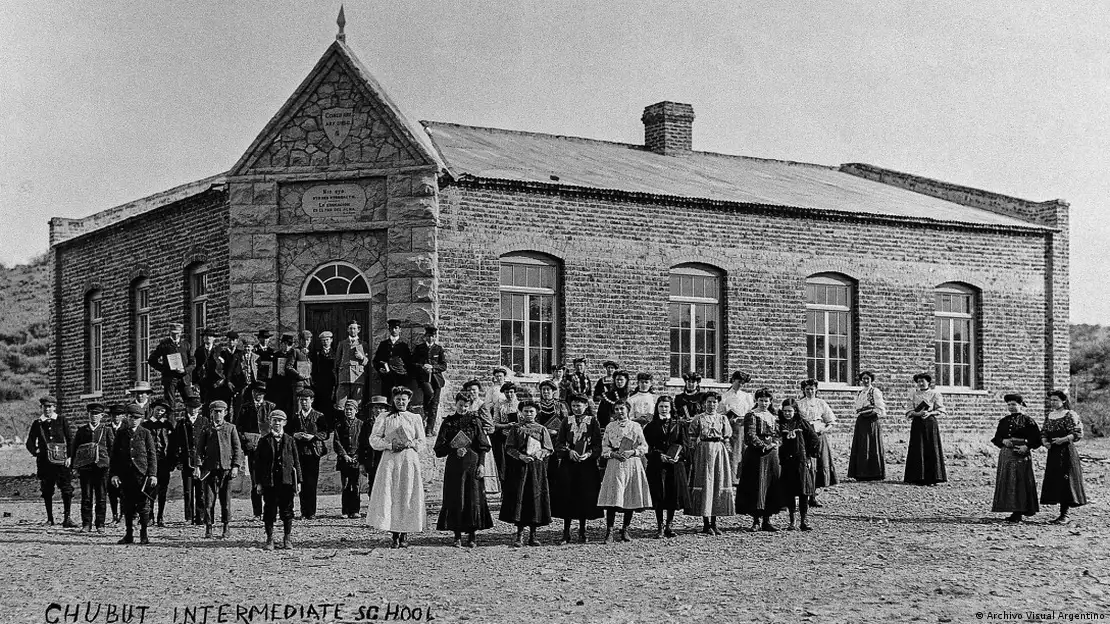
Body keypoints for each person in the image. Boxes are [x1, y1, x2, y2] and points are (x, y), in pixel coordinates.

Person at [367, 386, 427, 548]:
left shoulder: (414, 418)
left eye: (404, 399)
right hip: (391, 460)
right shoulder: (385, 417)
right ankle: (394, 534)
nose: (401, 402)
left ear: (408, 401)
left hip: (408, 459)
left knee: (407, 493)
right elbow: (374, 439)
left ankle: (405, 534)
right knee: (392, 494)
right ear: (393, 400)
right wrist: (389, 444)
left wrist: (411, 443)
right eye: (398, 399)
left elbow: (422, 442)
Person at [434, 392, 494, 547]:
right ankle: (457, 535)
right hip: (455, 465)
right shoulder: (448, 422)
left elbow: (483, 446)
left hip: (472, 464)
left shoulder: (475, 421)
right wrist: (452, 449)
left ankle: (472, 535)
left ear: (470, 406)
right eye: (460, 405)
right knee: (456, 497)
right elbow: (439, 449)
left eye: (466, 406)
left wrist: (481, 464)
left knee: (473, 497)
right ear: (456, 404)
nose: (463, 408)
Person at [597, 401, 652, 543]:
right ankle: (609, 531)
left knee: (629, 495)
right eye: (616, 409)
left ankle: (625, 529)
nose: (619, 412)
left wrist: (633, 451)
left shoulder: (635, 426)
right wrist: (612, 454)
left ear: (627, 410)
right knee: (613, 496)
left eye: (622, 409)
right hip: (615, 462)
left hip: (631, 462)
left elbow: (644, 446)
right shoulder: (610, 426)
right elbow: (604, 447)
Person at [500, 401, 554, 547]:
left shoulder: (542, 429)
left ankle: (533, 535)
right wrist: (520, 456)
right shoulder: (516, 428)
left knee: (534, 498)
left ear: (536, 413)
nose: (528, 414)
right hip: (520, 468)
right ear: (521, 413)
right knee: (521, 497)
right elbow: (509, 448)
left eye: (531, 411)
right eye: (526, 411)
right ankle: (519, 535)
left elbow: (549, 448)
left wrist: (540, 453)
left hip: (536, 468)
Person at [551, 393, 603, 544]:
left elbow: (597, 444)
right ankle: (566, 533)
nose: (576, 409)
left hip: (586, 464)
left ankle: (582, 531)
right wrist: (569, 452)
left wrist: (588, 454)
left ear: (586, 406)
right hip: (570, 464)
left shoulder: (593, 422)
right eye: (573, 406)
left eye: (579, 406)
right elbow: (559, 442)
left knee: (584, 496)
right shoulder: (566, 421)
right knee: (568, 495)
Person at [685, 392, 735, 535]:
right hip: (704, 452)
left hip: (719, 451)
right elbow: (692, 438)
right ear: (703, 404)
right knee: (706, 484)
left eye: (714, 402)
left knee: (717, 484)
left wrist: (727, 452)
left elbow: (727, 438)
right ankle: (706, 523)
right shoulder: (698, 418)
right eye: (708, 402)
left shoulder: (722, 418)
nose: (711, 405)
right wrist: (693, 455)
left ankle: (714, 522)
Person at [193, 400, 242, 539]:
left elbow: (237, 449)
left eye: (220, 412)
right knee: (208, 501)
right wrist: (197, 466)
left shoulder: (231, 428)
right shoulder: (206, 429)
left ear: (225, 413)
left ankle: (226, 526)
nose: (218, 415)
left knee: (225, 501)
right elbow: (199, 450)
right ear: (211, 413)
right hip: (209, 470)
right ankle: (209, 527)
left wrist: (235, 466)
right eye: (215, 412)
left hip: (226, 470)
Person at [110, 404, 157, 544]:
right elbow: (115, 456)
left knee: (143, 506)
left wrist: (152, 474)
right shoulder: (121, 433)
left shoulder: (145, 433)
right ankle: (128, 534)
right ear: (127, 418)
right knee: (127, 505)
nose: (134, 420)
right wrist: (114, 474)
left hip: (141, 475)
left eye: (137, 418)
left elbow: (151, 455)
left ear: (141, 419)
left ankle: (144, 533)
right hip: (126, 475)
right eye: (131, 417)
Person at [990, 394, 1042, 523]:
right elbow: (996, 438)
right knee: (1009, 481)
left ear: (1021, 405)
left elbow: (1037, 439)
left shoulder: (1028, 421)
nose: (1011, 407)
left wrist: (1027, 446)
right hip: (1007, 455)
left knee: (1020, 481)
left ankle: (1020, 510)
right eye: (1009, 405)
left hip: (1021, 454)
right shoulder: (1003, 421)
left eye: (1014, 404)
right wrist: (1003, 441)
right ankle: (1012, 509)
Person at [643, 395, 689, 538]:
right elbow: (646, 448)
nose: (664, 409)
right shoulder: (650, 426)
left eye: (666, 406)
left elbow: (685, 445)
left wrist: (678, 457)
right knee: (659, 494)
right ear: (657, 408)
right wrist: (658, 456)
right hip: (658, 465)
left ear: (671, 408)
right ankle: (659, 526)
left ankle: (669, 525)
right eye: (661, 406)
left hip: (675, 465)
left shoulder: (680, 424)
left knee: (672, 494)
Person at [25, 396, 75, 527]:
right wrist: (35, 451)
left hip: (61, 461)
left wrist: (69, 457)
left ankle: (67, 518)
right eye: (45, 407)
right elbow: (29, 441)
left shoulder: (61, 420)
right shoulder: (38, 423)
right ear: (41, 408)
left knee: (66, 489)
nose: (47, 409)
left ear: (54, 407)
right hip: (45, 462)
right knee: (47, 490)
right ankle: (50, 518)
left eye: (50, 406)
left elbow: (70, 439)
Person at [256, 410, 302, 550]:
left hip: (286, 481)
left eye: (280, 420)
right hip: (269, 482)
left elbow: (296, 461)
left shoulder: (290, 440)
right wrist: (258, 482)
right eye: (274, 420)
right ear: (270, 422)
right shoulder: (264, 441)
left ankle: (287, 538)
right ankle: (270, 538)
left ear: (285, 423)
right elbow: (257, 464)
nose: (277, 423)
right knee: (269, 510)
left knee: (287, 510)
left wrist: (298, 481)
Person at [1040, 390, 1088, 524]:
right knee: (1056, 480)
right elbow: (1044, 431)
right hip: (1053, 452)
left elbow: (1078, 433)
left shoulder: (1069, 414)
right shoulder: (1050, 415)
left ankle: (1065, 514)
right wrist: (1045, 441)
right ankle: (1060, 513)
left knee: (1066, 480)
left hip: (1066, 451)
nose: (1053, 402)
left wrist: (1063, 439)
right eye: (1051, 400)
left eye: (1055, 400)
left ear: (1064, 401)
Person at [738, 388, 782, 532]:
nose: (764, 403)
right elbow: (750, 435)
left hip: (772, 455)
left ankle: (767, 519)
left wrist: (774, 443)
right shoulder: (751, 415)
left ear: (770, 402)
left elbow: (778, 434)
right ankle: (756, 519)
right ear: (756, 400)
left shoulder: (773, 416)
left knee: (771, 484)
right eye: (761, 400)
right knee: (756, 484)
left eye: (766, 401)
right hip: (756, 454)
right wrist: (763, 446)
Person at [70, 402, 115, 533]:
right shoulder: (82, 430)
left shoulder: (106, 430)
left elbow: (112, 449)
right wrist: (74, 465)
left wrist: (112, 467)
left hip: (102, 467)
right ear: (88, 415)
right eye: (92, 414)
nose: (94, 417)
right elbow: (75, 449)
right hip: (86, 468)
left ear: (102, 416)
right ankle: (86, 524)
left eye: (97, 414)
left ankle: (100, 524)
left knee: (101, 497)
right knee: (87, 496)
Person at [777, 398, 819, 531]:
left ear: (795, 411)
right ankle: (792, 521)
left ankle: (804, 521)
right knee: (790, 491)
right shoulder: (780, 424)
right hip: (786, 462)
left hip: (800, 461)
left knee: (803, 491)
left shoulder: (802, 423)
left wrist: (808, 456)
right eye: (785, 411)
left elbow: (814, 439)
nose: (787, 414)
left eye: (790, 411)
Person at [287, 388, 329, 519]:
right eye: (301, 400)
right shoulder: (295, 416)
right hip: (299, 453)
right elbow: (289, 432)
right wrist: (295, 435)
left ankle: (311, 512)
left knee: (311, 483)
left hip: (313, 453)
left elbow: (325, 433)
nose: (303, 402)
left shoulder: (319, 416)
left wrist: (313, 437)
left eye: (306, 400)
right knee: (301, 481)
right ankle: (303, 511)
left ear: (312, 400)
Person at [797, 378, 837, 507]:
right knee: (807, 464)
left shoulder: (821, 403)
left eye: (812, 389)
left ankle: (814, 495)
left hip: (819, 436)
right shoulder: (799, 404)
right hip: (805, 437)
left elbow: (831, 421)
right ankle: (806, 494)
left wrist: (823, 430)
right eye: (807, 389)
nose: (810, 391)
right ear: (803, 390)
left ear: (816, 390)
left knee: (819, 463)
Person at [236, 380, 273, 518]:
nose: (259, 395)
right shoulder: (245, 408)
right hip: (252, 449)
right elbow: (238, 428)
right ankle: (257, 512)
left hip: (268, 449)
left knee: (268, 479)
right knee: (255, 479)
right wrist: (246, 442)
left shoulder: (270, 407)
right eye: (256, 392)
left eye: (261, 392)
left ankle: (269, 510)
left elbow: (276, 427)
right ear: (252, 393)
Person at [904, 373, 948, 486]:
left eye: (922, 381)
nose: (920, 383)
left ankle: (933, 477)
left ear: (928, 382)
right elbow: (909, 411)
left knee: (931, 447)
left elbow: (941, 409)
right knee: (917, 447)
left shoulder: (935, 394)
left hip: (930, 423)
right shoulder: (913, 394)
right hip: (917, 423)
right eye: (918, 381)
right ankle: (916, 476)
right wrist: (917, 413)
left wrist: (930, 413)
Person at [173, 396, 209, 525]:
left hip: (201, 460)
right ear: (187, 408)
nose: (193, 410)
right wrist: (178, 461)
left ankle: (200, 516)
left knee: (201, 490)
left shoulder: (204, 421)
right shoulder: (182, 423)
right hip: (186, 460)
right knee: (188, 490)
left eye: (196, 408)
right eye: (190, 408)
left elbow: (208, 442)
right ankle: (189, 516)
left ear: (199, 409)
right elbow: (176, 443)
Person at [463, 379, 501, 496]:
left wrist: (480, 430)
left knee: (481, 464)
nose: (471, 393)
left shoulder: (481, 405)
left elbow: (491, 426)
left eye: (474, 390)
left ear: (478, 391)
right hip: (467, 440)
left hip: (480, 439)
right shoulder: (465, 405)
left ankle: (485, 488)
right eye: (469, 391)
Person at [141, 398, 175, 526]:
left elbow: (172, 445)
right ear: (152, 410)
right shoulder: (146, 425)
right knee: (150, 489)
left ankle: (160, 516)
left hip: (164, 461)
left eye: (162, 410)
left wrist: (172, 461)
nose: (160, 412)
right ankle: (150, 516)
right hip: (150, 462)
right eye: (157, 410)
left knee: (163, 490)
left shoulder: (168, 425)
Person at [147, 322, 196, 410]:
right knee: (169, 405)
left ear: (181, 333)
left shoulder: (186, 345)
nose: (175, 336)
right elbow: (151, 360)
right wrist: (165, 369)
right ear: (169, 332)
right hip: (170, 379)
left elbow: (193, 363)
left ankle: (189, 423)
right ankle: (170, 423)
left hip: (184, 378)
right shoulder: (164, 345)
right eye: (173, 333)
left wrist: (184, 370)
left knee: (190, 403)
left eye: (177, 334)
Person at [848, 371, 887, 481]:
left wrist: (871, 412)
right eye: (863, 379)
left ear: (871, 380)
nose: (865, 381)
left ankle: (873, 473)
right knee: (861, 445)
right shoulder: (860, 393)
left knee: (871, 444)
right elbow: (858, 408)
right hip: (861, 421)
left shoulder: (875, 392)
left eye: (867, 379)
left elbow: (880, 409)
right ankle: (860, 472)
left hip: (871, 420)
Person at [719, 371, 754, 488]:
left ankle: (746, 478)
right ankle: (734, 479)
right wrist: (730, 420)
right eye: (739, 382)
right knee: (734, 452)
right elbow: (721, 414)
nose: (741, 385)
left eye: (743, 383)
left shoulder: (747, 396)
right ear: (733, 380)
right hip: (733, 428)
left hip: (745, 426)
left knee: (746, 451)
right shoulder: (725, 397)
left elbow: (751, 412)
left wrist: (745, 418)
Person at [412, 325, 448, 434]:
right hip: (424, 380)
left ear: (435, 337)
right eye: (428, 336)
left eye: (432, 336)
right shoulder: (419, 348)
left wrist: (433, 367)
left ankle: (429, 428)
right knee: (427, 400)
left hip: (436, 380)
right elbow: (413, 363)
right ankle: (424, 422)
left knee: (434, 404)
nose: (430, 338)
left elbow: (444, 366)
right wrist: (423, 366)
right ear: (425, 336)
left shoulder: (439, 349)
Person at [332, 399, 364, 519]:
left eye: (351, 409)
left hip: (356, 459)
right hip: (344, 460)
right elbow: (337, 442)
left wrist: (357, 455)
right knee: (345, 485)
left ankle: (355, 510)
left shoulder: (361, 424)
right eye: (346, 409)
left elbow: (363, 442)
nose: (348, 411)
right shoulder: (339, 425)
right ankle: (345, 510)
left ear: (356, 410)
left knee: (355, 485)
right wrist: (344, 455)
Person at [358, 395, 389, 505]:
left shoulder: (389, 423)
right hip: (371, 459)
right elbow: (361, 444)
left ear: (385, 409)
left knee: (386, 483)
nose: (378, 410)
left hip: (386, 457)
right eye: (376, 408)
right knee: (373, 483)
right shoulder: (367, 424)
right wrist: (361, 463)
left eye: (381, 408)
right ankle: (373, 508)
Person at [193, 327, 231, 415]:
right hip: (204, 381)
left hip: (216, 381)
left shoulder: (219, 350)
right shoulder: (199, 351)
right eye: (206, 336)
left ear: (213, 338)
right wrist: (195, 382)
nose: (208, 338)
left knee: (216, 404)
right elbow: (195, 367)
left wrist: (223, 379)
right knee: (205, 404)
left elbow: (226, 367)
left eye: (210, 336)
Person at [334, 320, 370, 410]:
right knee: (340, 404)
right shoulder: (342, 344)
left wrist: (362, 357)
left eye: (354, 328)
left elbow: (367, 362)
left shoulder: (363, 344)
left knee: (357, 403)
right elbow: (337, 362)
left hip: (357, 377)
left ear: (358, 330)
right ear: (347, 330)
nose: (352, 331)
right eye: (350, 328)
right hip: (344, 377)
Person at [490, 382, 520, 482]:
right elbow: (494, 423)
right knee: (503, 464)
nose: (509, 395)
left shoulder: (520, 405)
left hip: (517, 438)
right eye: (506, 392)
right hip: (503, 437)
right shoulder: (499, 405)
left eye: (511, 392)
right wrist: (506, 426)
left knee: (515, 463)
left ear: (515, 392)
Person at [373, 319, 412, 396]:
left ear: (400, 330)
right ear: (389, 329)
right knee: (386, 397)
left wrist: (407, 376)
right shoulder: (383, 344)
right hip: (387, 376)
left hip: (400, 377)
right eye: (392, 328)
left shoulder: (404, 345)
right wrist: (379, 369)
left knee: (400, 397)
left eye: (396, 328)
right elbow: (376, 360)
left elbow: (409, 362)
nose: (394, 330)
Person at [266, 333, 299, 415]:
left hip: (290, 384)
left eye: (290, 344)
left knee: (291, 407)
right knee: (279, 405)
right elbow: (272, 371)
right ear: (282, 344)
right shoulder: (276, 355)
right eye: (285, 344)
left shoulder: (294, 354)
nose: (287, 346)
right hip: (279, 385)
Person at [106, 404, 127, 525]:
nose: (116, 417)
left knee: (124, 491)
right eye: (114, 415)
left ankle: (124, 515)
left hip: (123, 464)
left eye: (119, 415)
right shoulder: (106, 428)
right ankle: (115, 515)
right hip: (110, 464)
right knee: (112, 491)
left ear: (123, 416)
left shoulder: (127, 428)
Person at [310, 330, 338, 420]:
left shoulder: (336, 353)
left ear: (331, 340)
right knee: (319, 404)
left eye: (327, 340)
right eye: (323, 340)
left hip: (332, 383)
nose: (325, 342)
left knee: (330, 405)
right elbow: (313, 368)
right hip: (319, 383)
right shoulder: (317, 353)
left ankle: (330, 428)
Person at [284, 329, 315, 398]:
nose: (305, 342)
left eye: (307, 340)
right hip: (299, 384)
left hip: (309, 383)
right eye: (303, 340)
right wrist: (298, 374)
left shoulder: (311, 353)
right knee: (299, 405)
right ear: (300, 340)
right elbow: (288, 367)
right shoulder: (295, 351)